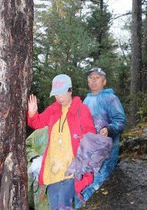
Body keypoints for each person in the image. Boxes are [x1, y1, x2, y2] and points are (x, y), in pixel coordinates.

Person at [27, 74, 96, 209]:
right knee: (54, 206)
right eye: (56, 94)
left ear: (70, 90)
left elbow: (91, 134)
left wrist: (83, 139)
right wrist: (32, 113)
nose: (59, 97)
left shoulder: (81, 110)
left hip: (71, 167)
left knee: (63, 205)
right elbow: (37, 123)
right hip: (53, 168)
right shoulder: (53, 110)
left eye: (62, 93)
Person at [76, 67, 126, 206]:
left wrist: (108, 129)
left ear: (104, 81)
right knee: (86, 183)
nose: (93, 80)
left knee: (102, 185)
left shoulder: (110, 98)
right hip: (88, 151)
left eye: (97, 77)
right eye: (91, 78)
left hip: (106, 151)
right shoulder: (86, 100)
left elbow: (120, 121)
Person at [26, 127, 49, 210]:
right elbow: (25, 146)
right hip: (37, 182)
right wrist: (35, 157)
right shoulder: (41, 133)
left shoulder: (74, 134)